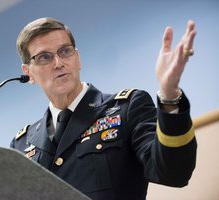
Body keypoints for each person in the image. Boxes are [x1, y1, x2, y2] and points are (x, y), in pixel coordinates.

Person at [10, 17, 197, 200]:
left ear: (78, 58)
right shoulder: (22, 144)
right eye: (44, 57)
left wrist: (169, 94)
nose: (59, 63)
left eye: (65, 51)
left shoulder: (127, 107)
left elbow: (174, 173)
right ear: (28, 73)